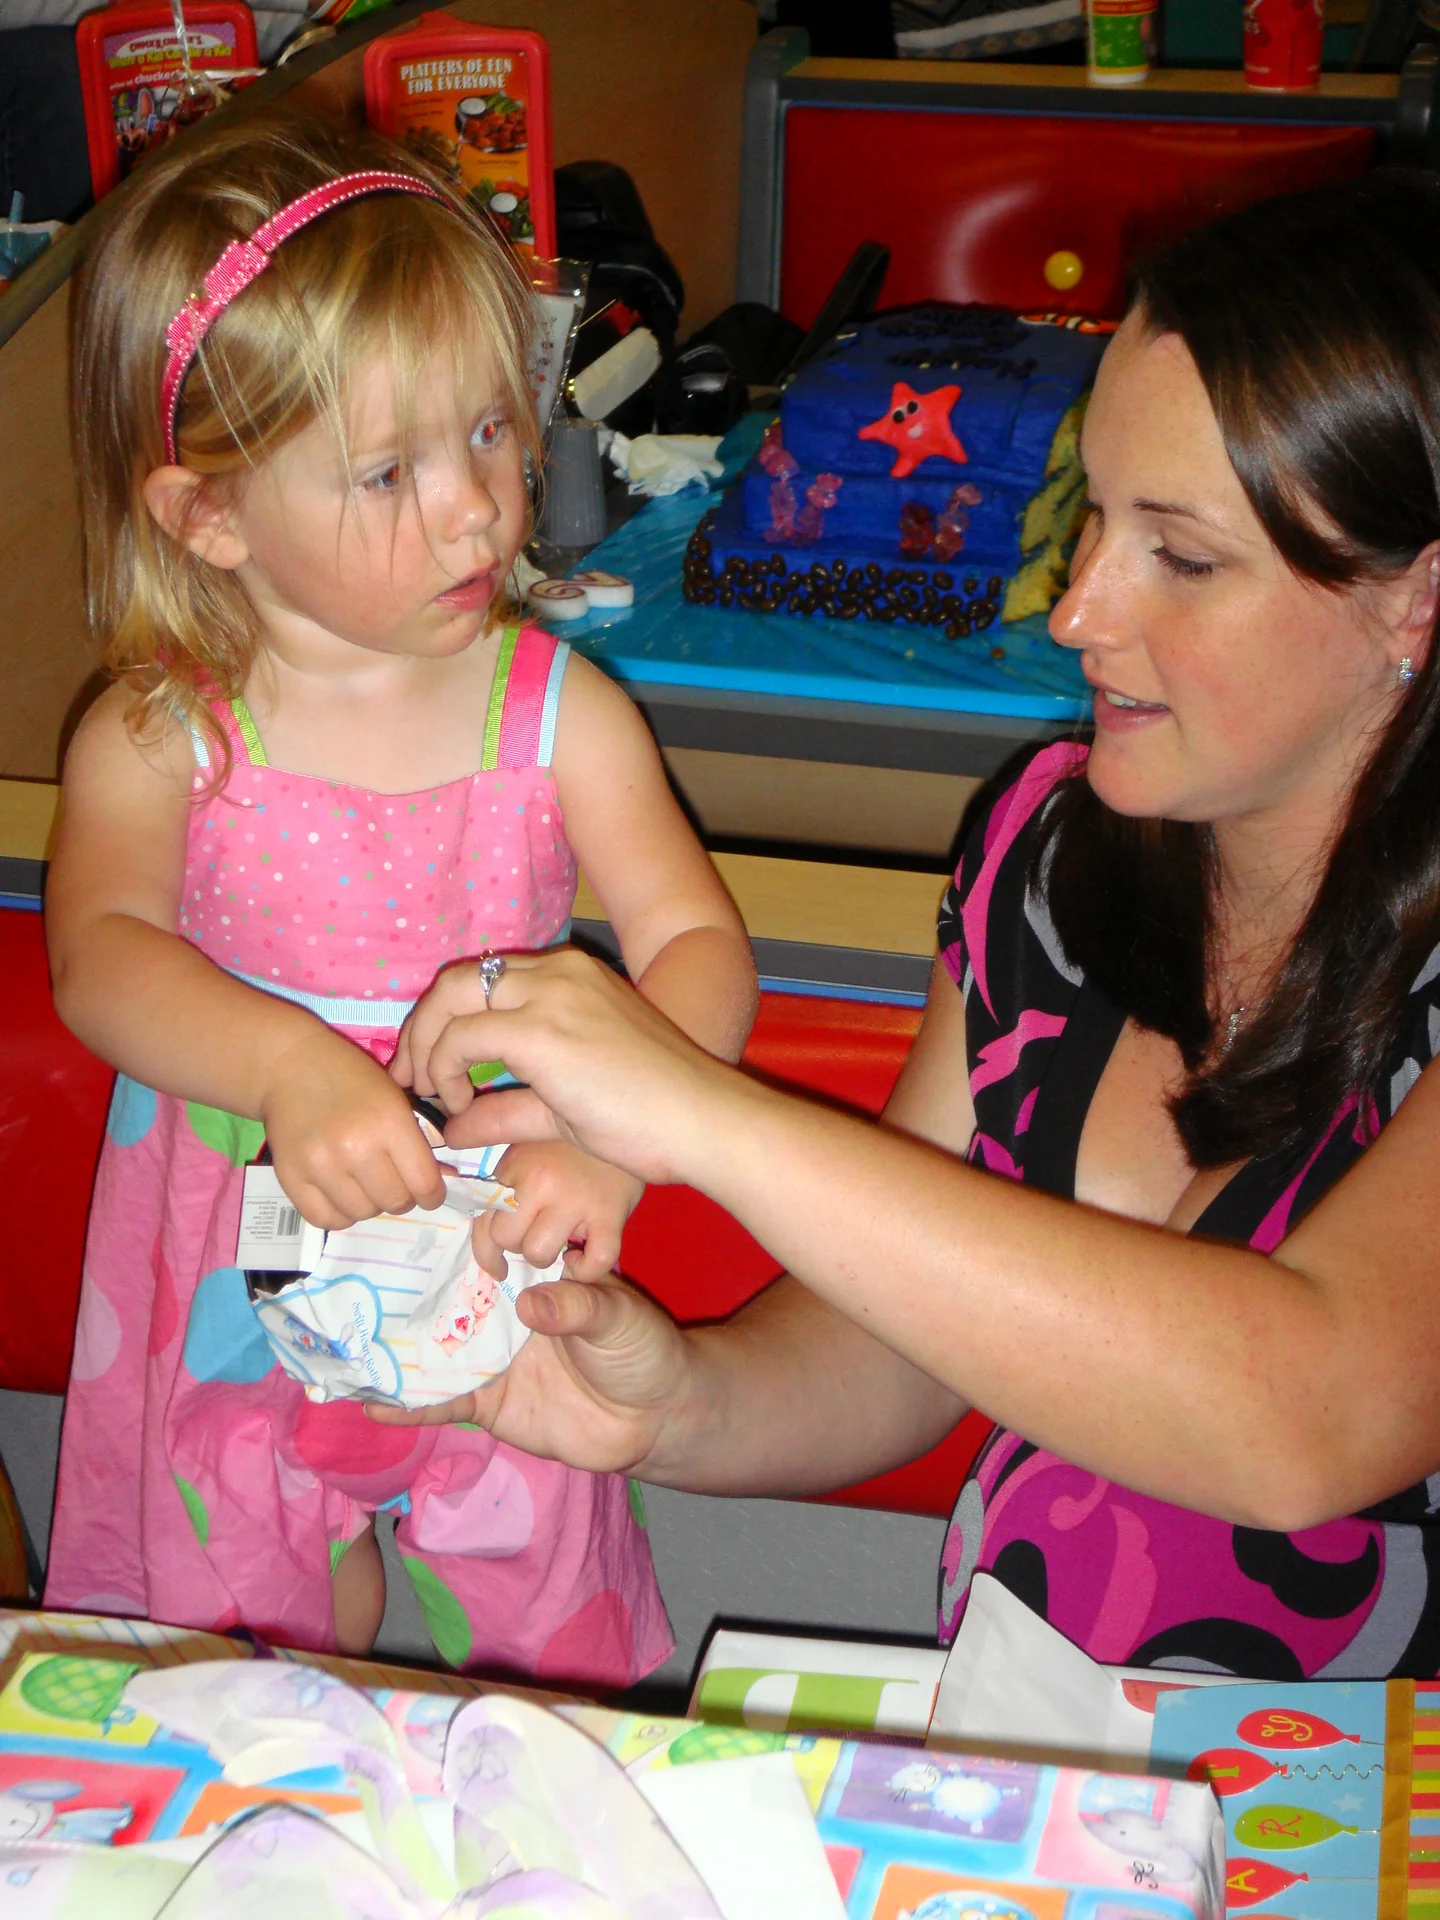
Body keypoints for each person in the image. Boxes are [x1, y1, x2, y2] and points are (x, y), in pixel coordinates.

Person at [380, 170, 1440, 1681]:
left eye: (1185, 556)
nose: (1079, 612)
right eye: (1094, 516)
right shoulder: (1048, 852)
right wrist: (677, 1403)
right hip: (1039, 1763)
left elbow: (1309, 1419)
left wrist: (699, 1111)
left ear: (1413, 601)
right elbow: (913, 1332)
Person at [42, 119, 758, 1684]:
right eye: (390, 472)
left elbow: (699, 945)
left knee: (535, 1639)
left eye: (492, 431)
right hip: (229, 1245)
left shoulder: (559, 713)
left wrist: (610, 1142)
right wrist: (289, 1065)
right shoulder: (160, 734)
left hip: (492, 1230)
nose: (477, 511)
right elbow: (97, 957)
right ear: (210, 516)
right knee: (229, 1643)